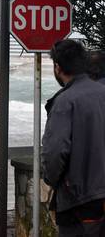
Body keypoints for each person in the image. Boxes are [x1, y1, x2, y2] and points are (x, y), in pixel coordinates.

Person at [41, 39, 105, 236]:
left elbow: (55, 153)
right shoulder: (101, 92)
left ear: (58, 68)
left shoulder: (64, 102)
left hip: (79, 198)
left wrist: (51, 179)